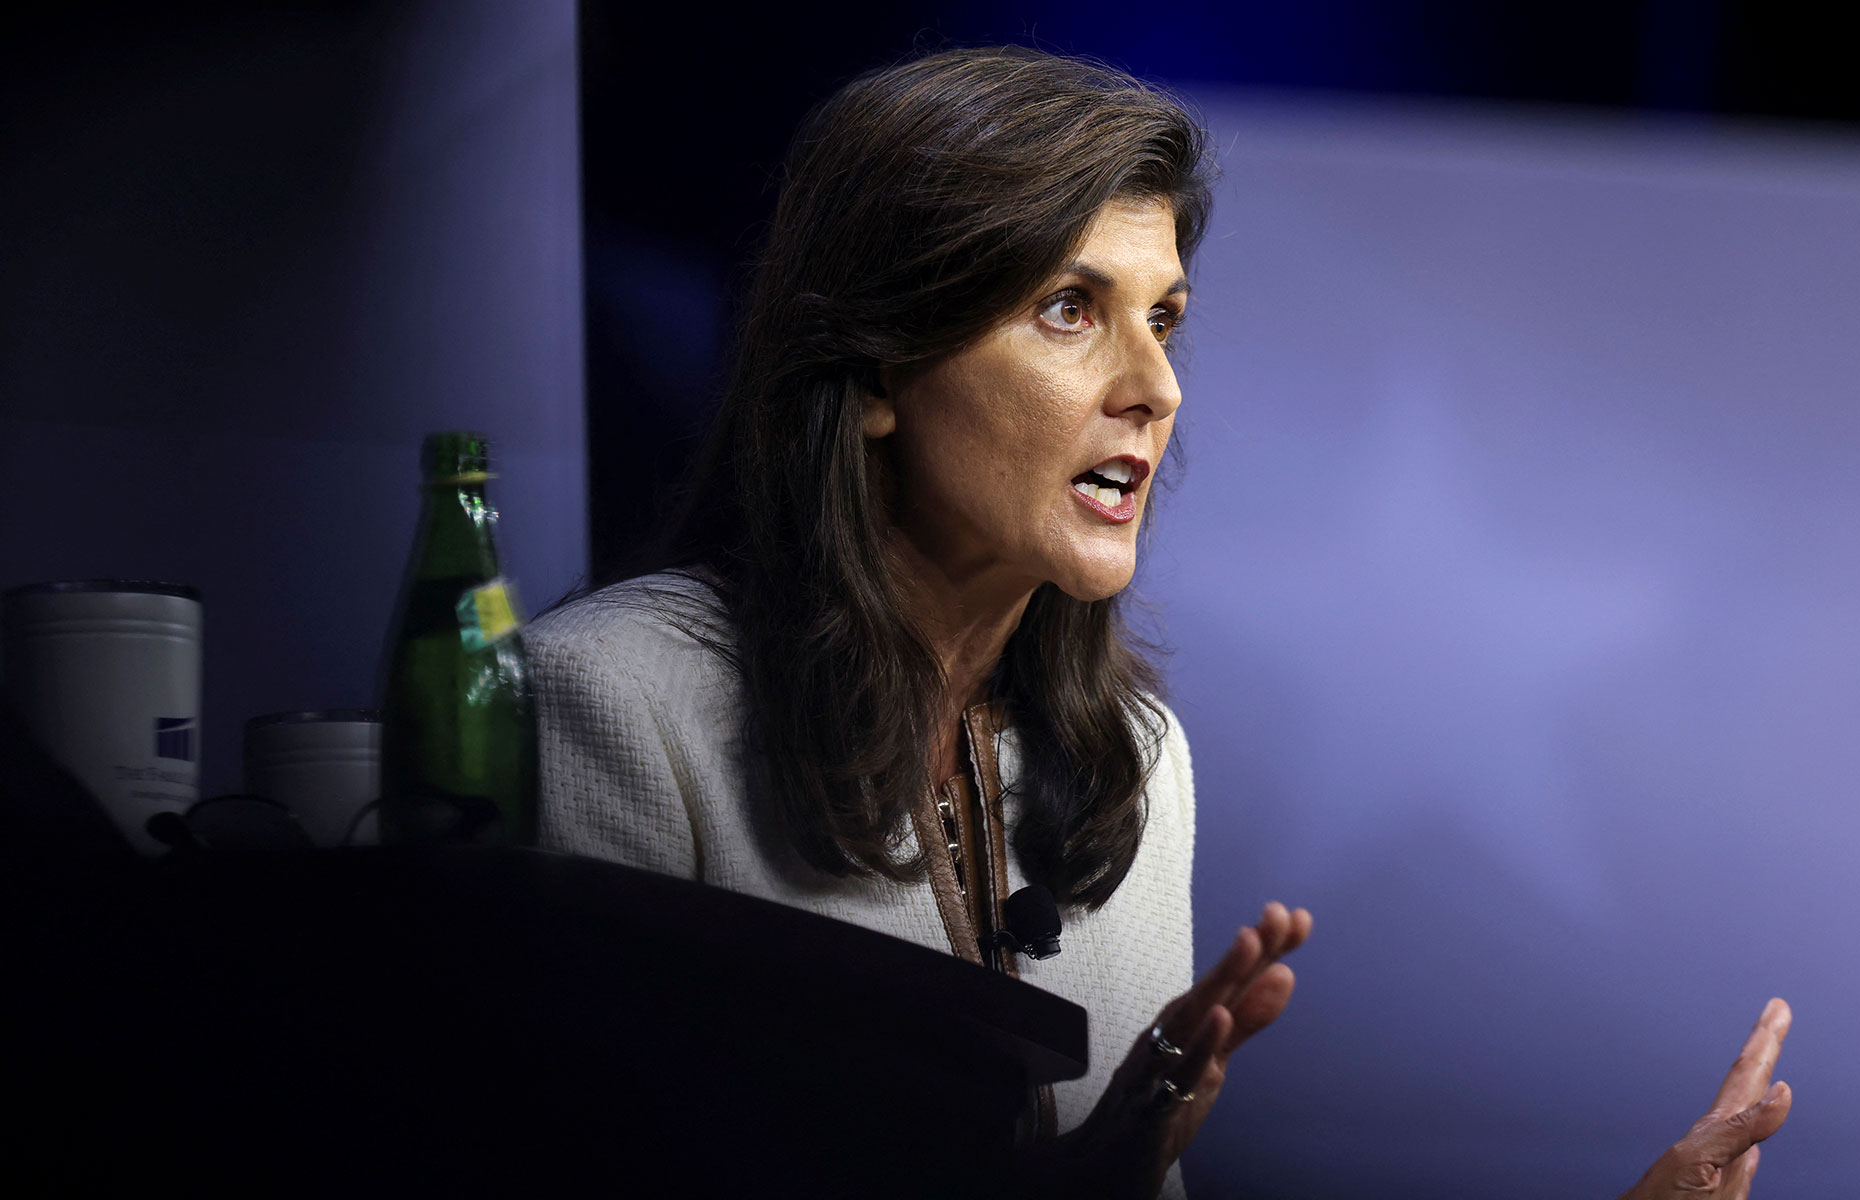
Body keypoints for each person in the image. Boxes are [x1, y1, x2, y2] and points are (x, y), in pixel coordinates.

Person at [526, 45, 1792, 1198]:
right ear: (874, 374)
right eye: (1069, 309)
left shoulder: (1129, 760)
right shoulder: (613, 705)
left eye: (1164, 317)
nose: (1155, 386)